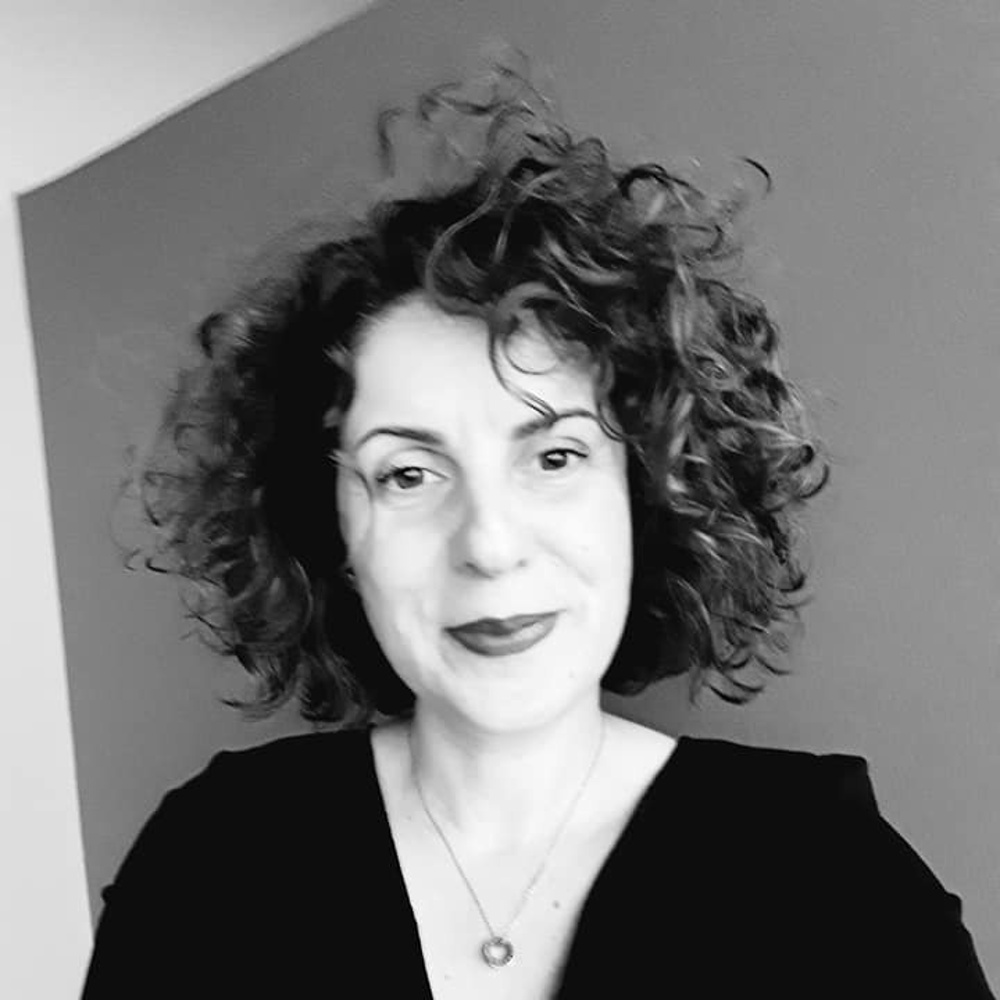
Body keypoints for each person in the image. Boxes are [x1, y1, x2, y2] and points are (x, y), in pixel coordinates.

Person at [82, 66, 994, 998]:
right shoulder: (209, 864)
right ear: (332, 532)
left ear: (646, 493)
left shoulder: (834, 877)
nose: (489, 544)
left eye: (554, 458)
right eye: (408, 475)